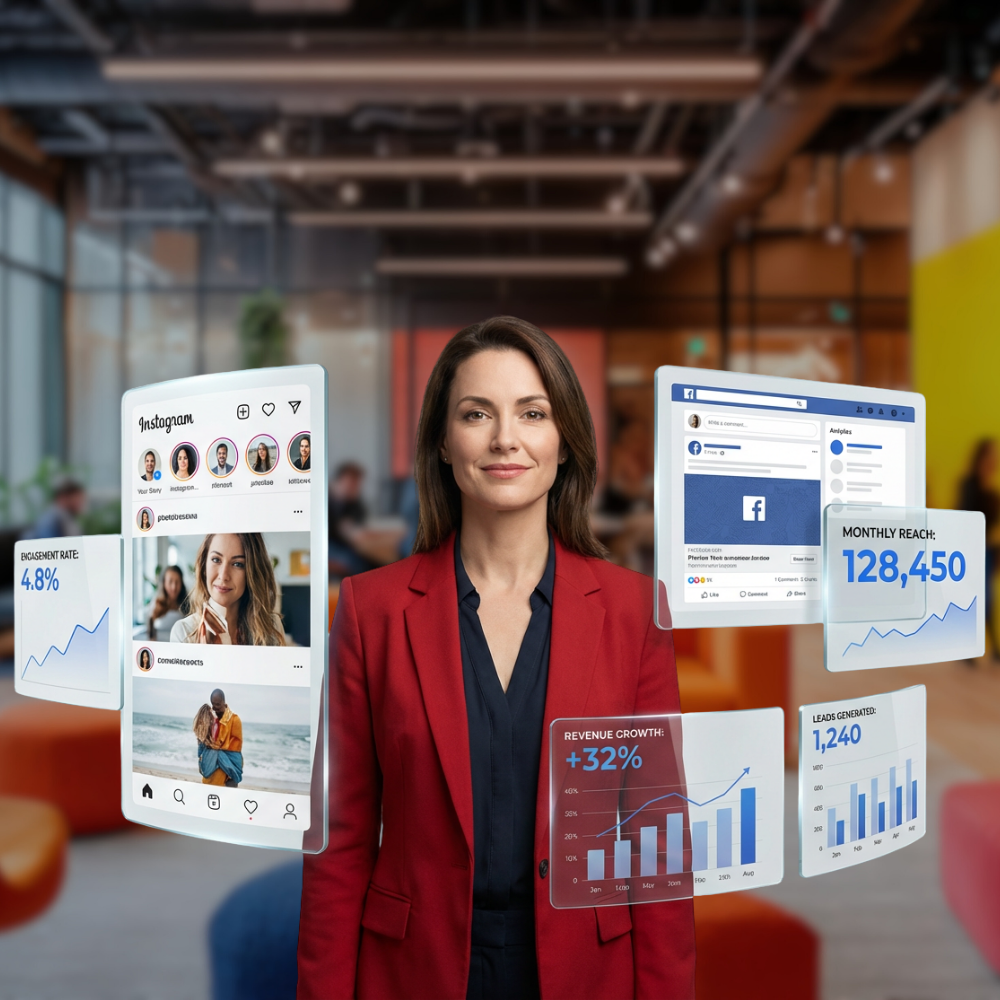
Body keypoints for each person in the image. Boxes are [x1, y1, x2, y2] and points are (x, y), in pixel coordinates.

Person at [298, 317, 694, 999]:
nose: (505, 438)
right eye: (476, 414)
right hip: (415, 970)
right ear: (444, 445)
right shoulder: (371, 611)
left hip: (585, 971)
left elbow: (656, 846)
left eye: (532, 413)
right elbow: (338, 844)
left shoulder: (635, 612)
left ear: (564, 442)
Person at [170, 532, 285, 646]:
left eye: (238, 564)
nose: (224, 576)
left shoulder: (272, 628)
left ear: (251, 572)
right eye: (216, 560)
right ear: (204, 565)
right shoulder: (184, 633)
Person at [959, 438, 1000, 660]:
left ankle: (989, 648)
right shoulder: (969, 486)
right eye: (990, 455)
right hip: (972, 551)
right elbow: (965, 516)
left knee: (988, 599)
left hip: (989, 553)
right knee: (974, 599)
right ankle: (972, 649)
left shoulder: (993, 493)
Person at [327, 461, 374, 576]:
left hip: (348, 546)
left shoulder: (354, 504)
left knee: (370, 562)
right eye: (350, 483)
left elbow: (357, 529)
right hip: (327, 546)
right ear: (338, 481)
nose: (353, 488)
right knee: (355, 563)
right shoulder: (325, 501)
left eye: (356, 484)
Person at [193, 691, 243, 787]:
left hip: (223, 779)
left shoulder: (234, 720)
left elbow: (235, 752)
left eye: (218, 704)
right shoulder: (211, 721)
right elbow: (201, 754)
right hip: (209, 777)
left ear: (224, 702)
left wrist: (233, 776)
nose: (215, 707)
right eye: (213, 704)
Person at [147, 565, 188, 641]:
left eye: (177, 582)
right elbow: (151, 628)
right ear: (164, 583)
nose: (174, 587)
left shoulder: (187, 605)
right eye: (170, 582)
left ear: (181, 583)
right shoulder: (156, 603)